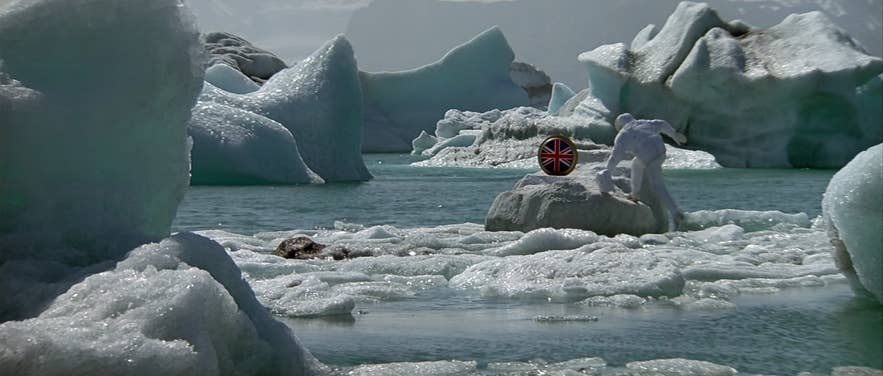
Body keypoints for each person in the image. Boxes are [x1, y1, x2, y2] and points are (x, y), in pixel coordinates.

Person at [596, 113, 687, 229]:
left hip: (650, 157)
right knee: (636, 165)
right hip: (661, 152)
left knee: (657, 185)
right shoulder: (644, 123)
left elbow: (615, 156)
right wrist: (673, 134)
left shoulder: (623, 135)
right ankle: (635, 193)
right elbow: (661, 124)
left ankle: (676, 213)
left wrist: (607, 171)